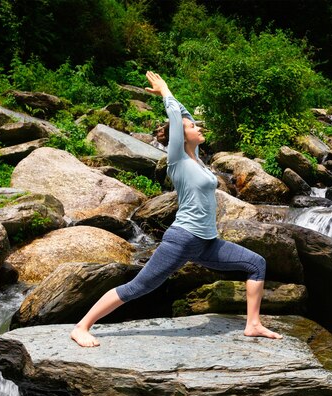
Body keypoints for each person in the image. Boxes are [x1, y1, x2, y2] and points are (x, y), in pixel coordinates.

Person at [70, 71, 283, 347]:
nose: (199, 128)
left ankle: (253, 324)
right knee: (139, 287)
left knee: (256, 264)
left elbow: (182, 116)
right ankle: (82, 326)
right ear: (181, 137)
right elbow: (176, 119)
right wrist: (166, 92)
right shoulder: (178, 160)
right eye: (193, 127)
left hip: (206, 243)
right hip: (182, 239)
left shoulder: (198, 161)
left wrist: (172, 99)